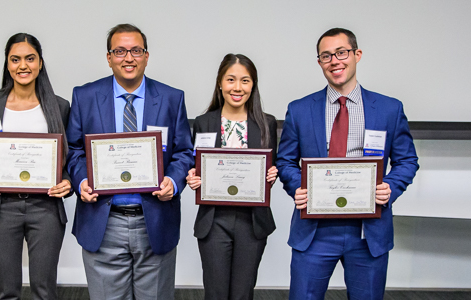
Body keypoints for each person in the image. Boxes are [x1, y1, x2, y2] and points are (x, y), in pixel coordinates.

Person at [276, 28, 419, 300]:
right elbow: (285, 161)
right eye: (326, 56)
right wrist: (297, 188)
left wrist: (390, 187)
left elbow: (407, 160)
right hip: (315, 231)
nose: (335, 61)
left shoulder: (389, 109)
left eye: (341, 53)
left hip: (368, 231)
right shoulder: (300, 109)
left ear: (357, 55)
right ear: (319, 62)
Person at [65, 23, 194, 299]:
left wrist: (173, 180)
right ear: (109, 57)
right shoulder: (85, 96)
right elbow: (74, 149)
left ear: (146, 56)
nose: (129, 58)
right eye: (120, 51)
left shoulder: (172, 98)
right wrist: (82, 180)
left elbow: (184, 151)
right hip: (103, 220)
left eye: (136, 50)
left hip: (155, 220)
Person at [0, 33, 72, 300]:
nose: (23, 66)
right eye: (15, 59)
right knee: (7, 292)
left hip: (46, 209)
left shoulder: (60, 107)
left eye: (30, 58)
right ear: (7, 64)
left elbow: (69, 155)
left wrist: (68, 180)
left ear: (40, 63)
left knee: (44, 290)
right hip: (1, 209)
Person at [186, 54, 278, 300]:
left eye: (245, 81)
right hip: (214, 219)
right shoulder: (203, 123)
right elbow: (196, 165)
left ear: (253, 85)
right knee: (215, 293)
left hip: (253, 221)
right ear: (220, 83)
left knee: (242, 294)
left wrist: (273, 174)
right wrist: (193, 177)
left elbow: (273, 166)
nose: (238, 87)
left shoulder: (266, 124)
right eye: (231, 79)